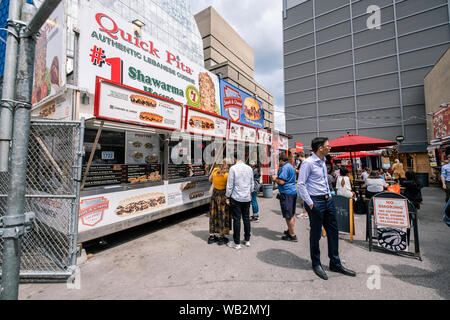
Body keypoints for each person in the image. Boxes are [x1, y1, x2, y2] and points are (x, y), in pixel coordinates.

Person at [297, 137, 356, 280]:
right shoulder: (308, 163)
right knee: (316, 234)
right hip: (315, 202)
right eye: (327, 146)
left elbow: (323, 182)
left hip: (327, 200)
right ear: (320, 148)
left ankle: (335, 263)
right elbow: (301, 184)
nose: (330, 147)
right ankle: (316, 263)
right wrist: (310, 203)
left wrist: (329, 196)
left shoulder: (323, 161)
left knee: (333, 231)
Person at [226, 153, 254, 250]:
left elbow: (230, 185)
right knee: (246, 218)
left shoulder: (233, 168)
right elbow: (252, 183)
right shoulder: (249, 168)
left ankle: (237, 243)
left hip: (236, 197)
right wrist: (250, 192)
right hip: (246, 197)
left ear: (235, 158)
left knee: (237, 219)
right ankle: (247, 240)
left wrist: (227, 196)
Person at [272, 154, 298, 242]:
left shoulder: (284, 168)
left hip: (286, 193)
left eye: (278, 161)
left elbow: (282, 181)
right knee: (292, 213)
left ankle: (292, 235)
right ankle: (290, 230)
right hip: (292, 191)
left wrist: (275, 178)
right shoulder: (290, 166)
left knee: (288, 215)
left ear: (281, 160)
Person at [208, 163, 231, 245]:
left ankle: (211, 236)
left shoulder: (214, 171)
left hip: (214, 195)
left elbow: (210, 179)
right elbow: (230, 186)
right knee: (222, 215)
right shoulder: (227, 174)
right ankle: (221, 237)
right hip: (223, 196)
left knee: (213, 214)